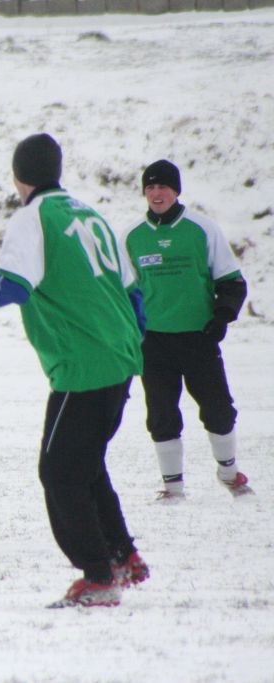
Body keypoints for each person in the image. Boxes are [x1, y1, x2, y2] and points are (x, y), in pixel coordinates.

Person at [0, 134, 149, 608]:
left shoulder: (32, 217)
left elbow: (12, 288)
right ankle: (123, 556)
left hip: (83, 364)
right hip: (119, 356)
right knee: (85, 463)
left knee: (58, 472)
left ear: (19, 176)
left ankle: (99, 576)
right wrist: (131, 339)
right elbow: (134, 290)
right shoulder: (90, 214)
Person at [121, 159, 253, 501]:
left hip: (198, 337)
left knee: (218, 410)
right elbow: (122, 292)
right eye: (150, 187)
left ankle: (229, 474)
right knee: (161, 414)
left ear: (176, 191)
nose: (156, 193)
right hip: (153, 342)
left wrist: (221, 316)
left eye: (163, 186)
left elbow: (231, 281)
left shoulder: (202, 228)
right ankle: (173, 488)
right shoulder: (132, 236)